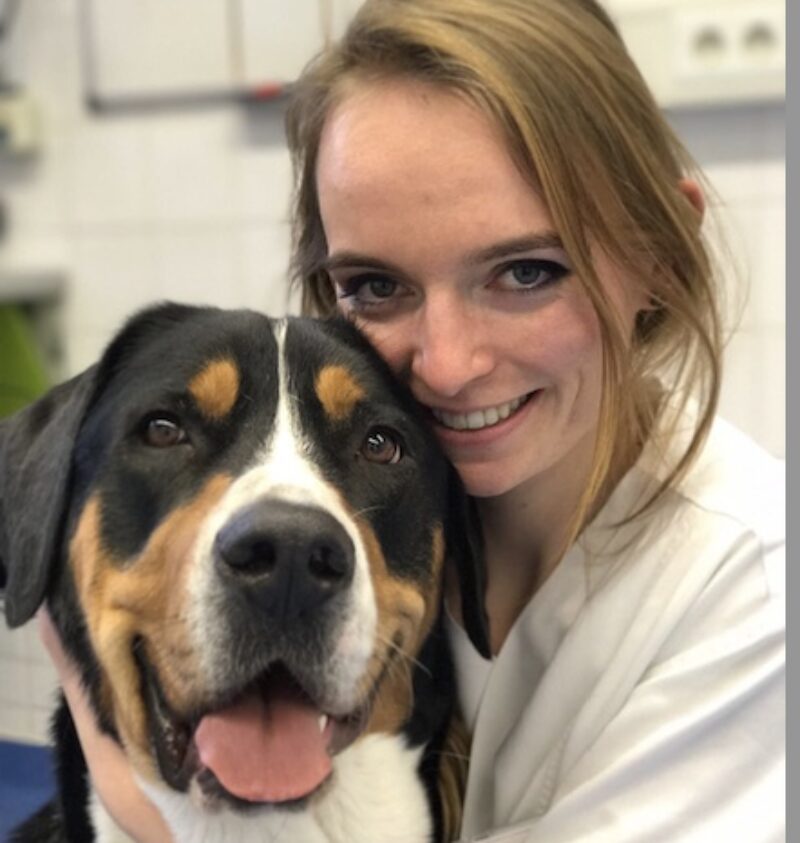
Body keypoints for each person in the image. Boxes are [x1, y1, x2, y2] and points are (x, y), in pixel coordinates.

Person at [39, 0, 785, 840]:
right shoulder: (387, 506)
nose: (448, 365)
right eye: (377, 286)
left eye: (527, 271)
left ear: (656, 256)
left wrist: (136, 800)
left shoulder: (757, 591)